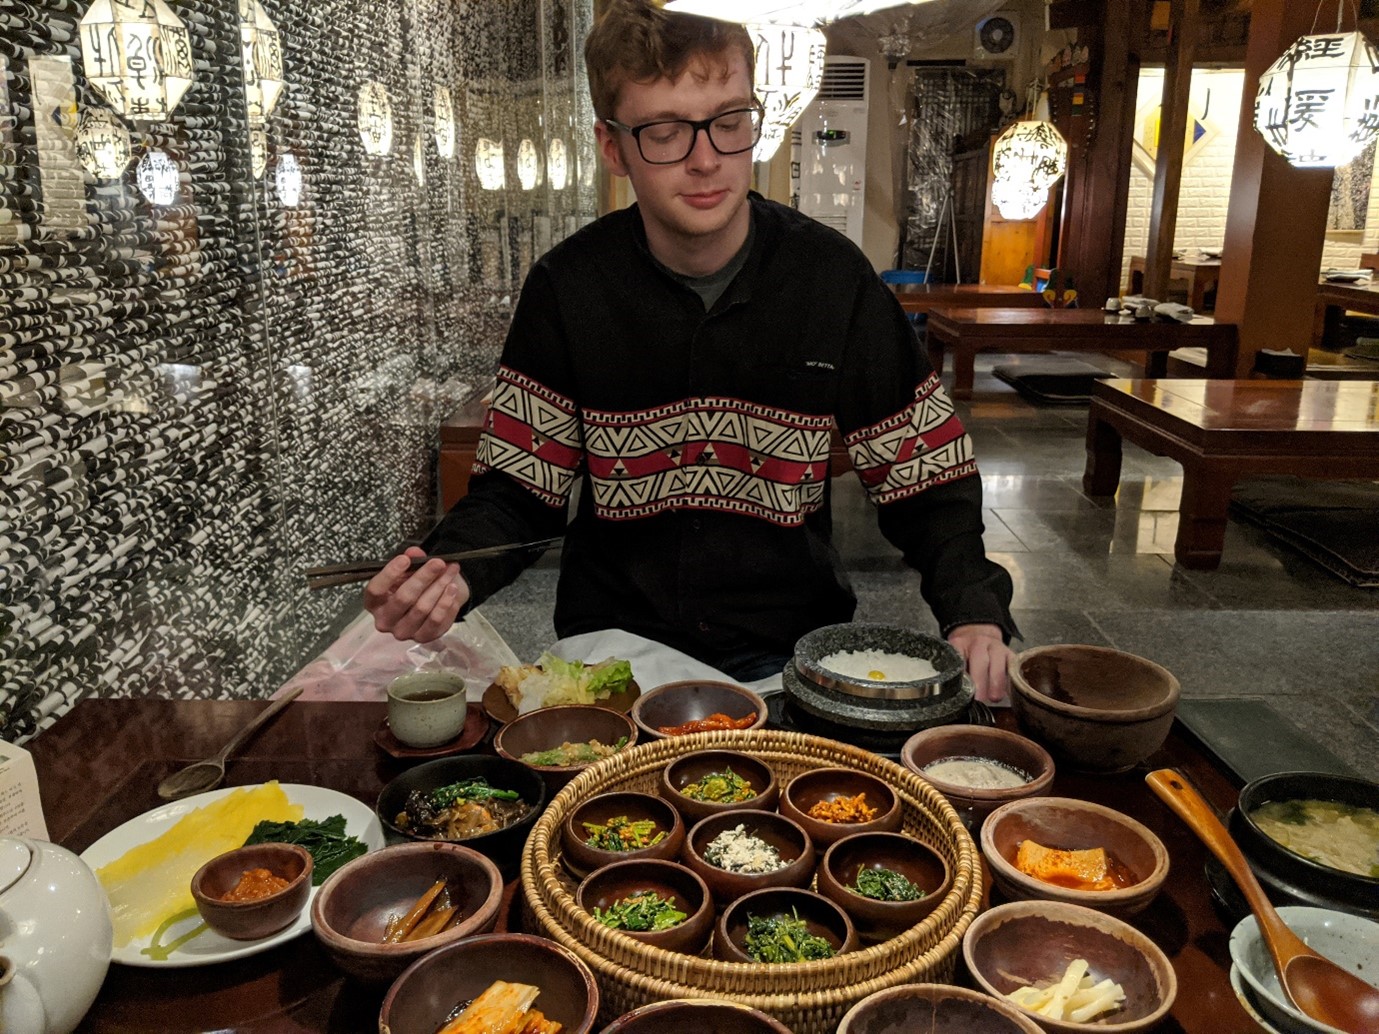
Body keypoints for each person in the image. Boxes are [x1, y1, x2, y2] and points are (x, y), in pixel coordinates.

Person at [364, 0, 1019, 701]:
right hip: (612, 655)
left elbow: (924, 479)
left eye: (729, 123)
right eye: (666, 132)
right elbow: (519, 489)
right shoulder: (569, 287)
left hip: (790, 653)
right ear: (613, 147)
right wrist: (451, 570)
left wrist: (974, 609)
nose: (706, 159)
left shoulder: (829, 278)